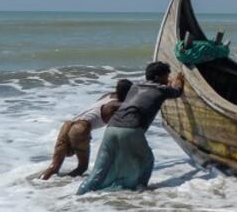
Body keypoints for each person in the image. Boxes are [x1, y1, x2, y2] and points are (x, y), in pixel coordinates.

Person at [77, 61, 185, 195]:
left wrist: (167, 85)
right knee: (146, 161)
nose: (167, 79)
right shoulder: (161, 89)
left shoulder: (135, 86)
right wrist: (179, 81)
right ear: (157, 77)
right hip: (131, 129)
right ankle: (140, 191)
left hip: (112, 128)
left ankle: (79, 195)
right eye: (166, 76)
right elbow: (177, 92)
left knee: (100, 169)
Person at [41, 79, 133, 180]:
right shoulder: (118, 105)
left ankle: (39, 183)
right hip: (81, 128)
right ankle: (61, 185)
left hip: (68, 125)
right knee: (82, 167)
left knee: (54, 166)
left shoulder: (107, 96)